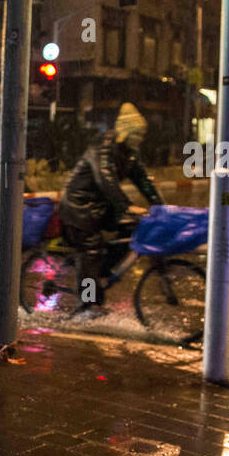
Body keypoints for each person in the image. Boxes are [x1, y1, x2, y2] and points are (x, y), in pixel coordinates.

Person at [57, 103, 163, 312]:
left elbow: (143, 182)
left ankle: (101, 271)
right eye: (137, 134)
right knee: (91, 250)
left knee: (132, 229)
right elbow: (106, 181)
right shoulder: (102, 149)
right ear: (126, 132)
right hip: (79, 208)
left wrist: (162, 207)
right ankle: (86, 304)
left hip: (101, 209)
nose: (140, 139)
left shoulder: (129, 155)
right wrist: (127, 206)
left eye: (142, 135)